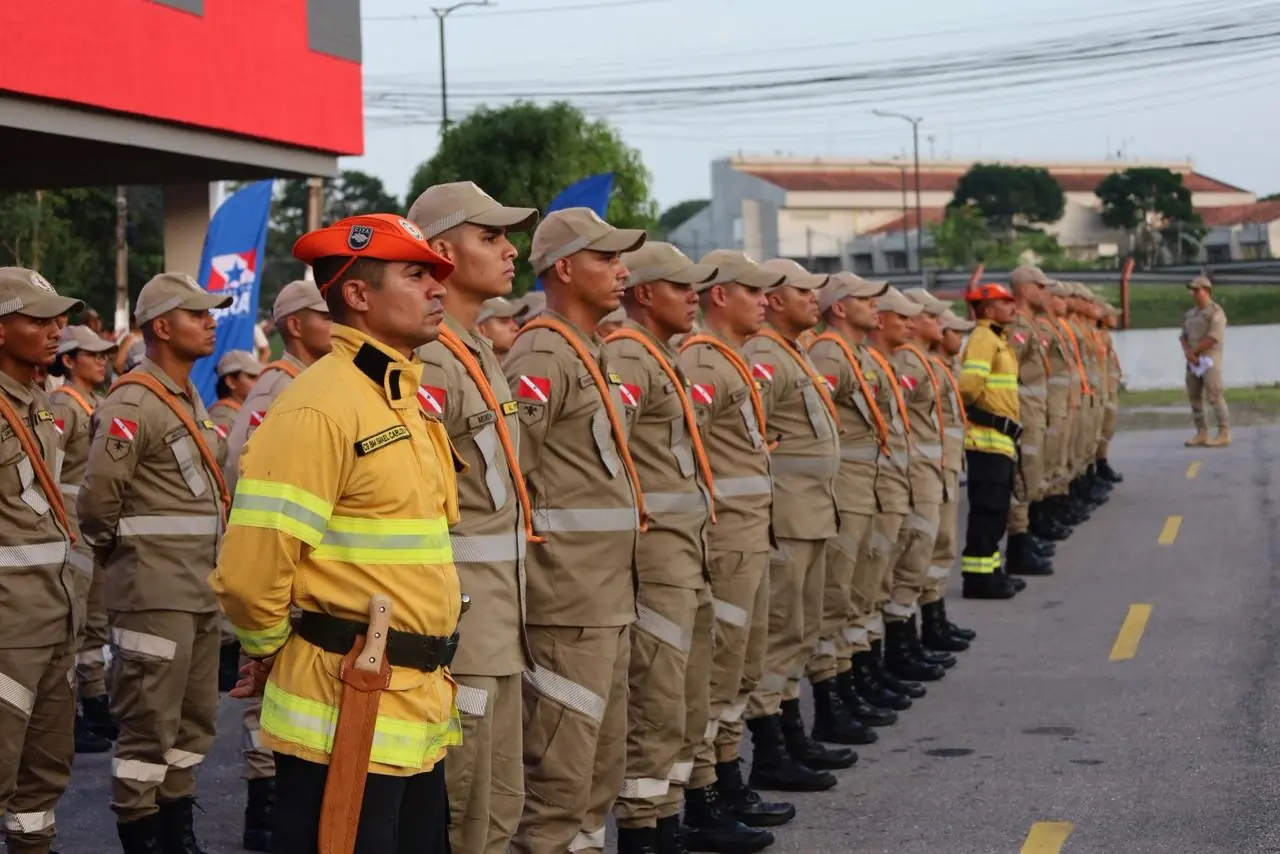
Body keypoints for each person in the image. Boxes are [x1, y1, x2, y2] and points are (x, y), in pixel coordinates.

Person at [212, 214, 463, 854]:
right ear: (357, 294)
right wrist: (271, 650)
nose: (438, 288)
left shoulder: (396, 396)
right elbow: (250, 574)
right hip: (347, 707)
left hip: (411, 706)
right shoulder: (320, 405)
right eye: (416, 275)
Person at [605, 242, 769, 854]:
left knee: (686, 695)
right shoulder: (630, 356)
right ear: (645, 294)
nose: (693, 296)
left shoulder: (661, 355)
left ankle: (678, 813)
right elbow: (607, 457)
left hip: (687, 547)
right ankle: (647, 829)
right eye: (680, 286)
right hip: (659, 554)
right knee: (659, 699)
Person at [503, 208, 645, 854]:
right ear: (563, 268)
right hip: (566, 602)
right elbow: (513, 476)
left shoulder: (590, 351)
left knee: (597, 775)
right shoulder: (541, 353)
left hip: (605, 595)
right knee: (558, 783)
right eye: (605, 258)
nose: (622, 271)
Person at [78, 272, 233, 853]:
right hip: (153, 594)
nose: (211, 322)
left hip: (198, 590)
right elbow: (97, 505)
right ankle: (143, 835)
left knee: (194, 724)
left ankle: (176, 833)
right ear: (162, 327)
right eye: (198, 314)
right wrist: (130, 562)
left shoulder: (186, 397)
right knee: (148, 729)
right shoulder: (133, 401)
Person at [407, 181, 538, 854]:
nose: (510, 251)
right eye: (490, 237)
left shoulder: (474, 351)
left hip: (498, 617)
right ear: (441, 252)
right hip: (459, 620)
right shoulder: (429, 361)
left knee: (499, 800)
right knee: (464, 809)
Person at [677, 252, 802, 822]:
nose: (764, 301)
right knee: (717, 669)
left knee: (741, 668)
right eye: (753, 291)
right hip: (725, 536)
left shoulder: (729, 359)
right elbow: (686, 450)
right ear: (721, 296)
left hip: (749, 533)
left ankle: (729, 777)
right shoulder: (703, 362)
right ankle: (707, 791)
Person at [218, 279, 331, 853]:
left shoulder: (318, 381)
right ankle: (262, 819)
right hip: (283, 568)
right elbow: (245, 471)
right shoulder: (278, 386)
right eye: (322, 314)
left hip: (310, 570)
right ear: (294, 325)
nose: (335, 320)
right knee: (271, 700)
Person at [742, 259, 856, 789]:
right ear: (775, 300)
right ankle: (770, 750)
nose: (816, 298)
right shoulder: (764, 355)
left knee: (799, 630)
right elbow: (745, 432)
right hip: (786, 517)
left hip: (811, 513)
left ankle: (792, 735)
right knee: (779, 634)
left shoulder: (793, 351)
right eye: (804, 290)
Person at [0, 268, 85, 854]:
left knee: (44, 773)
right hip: (9, 627)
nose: (57, 330)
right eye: (38, 319)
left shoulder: (37, 402)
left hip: (54, 616)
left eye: (59, 319)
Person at [806, 275, 910, 728]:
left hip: (866, 482)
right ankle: (833, 697)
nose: (875, 307)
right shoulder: (829, 354)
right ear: (840, 308)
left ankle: (858, 678)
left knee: (862, 588)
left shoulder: (858, 354)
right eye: (865, 300)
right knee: (838, 594)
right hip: (845, 486)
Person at [865, 288, 950, 682]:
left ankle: (909, 641)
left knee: (919, 553)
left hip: (917, 468)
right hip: (903, 473)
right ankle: (898, 649)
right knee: (900, 562)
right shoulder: (898, 364)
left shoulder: (909, 360)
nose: (912, 323)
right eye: (904, 316)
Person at [48, 325, 119, 754]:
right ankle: (68, 713)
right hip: (71, 523)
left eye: (104, 354)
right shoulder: (63, 405)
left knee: (94, 619)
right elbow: (48, 469)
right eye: (92, 355)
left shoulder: (95, 402)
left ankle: (94, 701)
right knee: (72, 620)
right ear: (69, 360)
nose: (101, 361)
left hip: (90, 524)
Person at [894, 290, 968, 657]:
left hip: (939, 464)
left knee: (941, 545)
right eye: (933, 317)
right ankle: (905, 641)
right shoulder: (908, 363)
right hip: (921, 467)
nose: (941, 324)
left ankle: (934, 619)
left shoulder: (926, 362)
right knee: (916, 552)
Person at [957, 282, 1021, 601]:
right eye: (1005, 302)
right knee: (987, 510)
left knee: (997, 512)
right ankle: (978, 579)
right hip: (986, 440)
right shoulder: (983, 338)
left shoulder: (997, 339)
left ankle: (992, 571)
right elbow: (968, 387)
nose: (1013, 307)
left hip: (999, 440)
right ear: (989, 309)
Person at [918, 308, 977, 646]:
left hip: (946, 463)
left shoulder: (943, 367)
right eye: (955, 332)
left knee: (944, 544)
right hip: (931, 466)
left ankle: (937, 617)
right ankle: (928, 624)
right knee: (929, 546)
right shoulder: (924, 366)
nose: (959, 338)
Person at [1003, 266, 1054, 577]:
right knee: (1022, 476)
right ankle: (1018, 545)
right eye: (1040, 286)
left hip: (1033, 410)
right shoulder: (1017, 326)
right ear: (1024, 289)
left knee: (1031, 474)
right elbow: (1008, 371)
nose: (1045, 292)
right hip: (1022, 411)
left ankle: (1026, 537)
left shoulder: (1029, 324)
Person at [210, 350, 262, 448]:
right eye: (252, 377)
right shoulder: (222, 416)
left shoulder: (241, 413)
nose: (260, 383)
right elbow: (215, 454)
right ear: (231, 382)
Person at [1096, 305, 1124, 483]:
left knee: (1108, 429)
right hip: (1102, 389)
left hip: (1111, 388)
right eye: (1112, 315)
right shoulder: (1098, 336)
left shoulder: (1106, 336)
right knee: (1100, 430)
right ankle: (1098, 464)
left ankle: (1102, 461)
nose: (1116, 318)